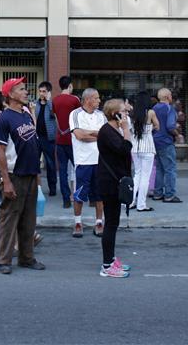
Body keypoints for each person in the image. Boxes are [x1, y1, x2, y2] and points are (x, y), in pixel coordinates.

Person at [0, 78, 44, 274]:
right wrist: (6, 181)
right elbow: (0, 151)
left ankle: (27, 258)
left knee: (29, 221)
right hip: (14, 175)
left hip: (30, 174)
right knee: (9, 219)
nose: (26, 92)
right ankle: (4, 260)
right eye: (21, 89)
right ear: (10, 94)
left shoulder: (26, 115)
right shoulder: (4, 118)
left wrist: (37, 175)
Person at [96, 99, 133, 278]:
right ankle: (107, 265)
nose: (126, 114)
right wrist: (126, 130)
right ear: (115, 114)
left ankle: (111, 259)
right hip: (109, 183)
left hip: (115, 181)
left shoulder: (113, 130)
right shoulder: (107, 131)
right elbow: (124, 149)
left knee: (114, 222)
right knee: (110, 223)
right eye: (123, 111)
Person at [69, 88, 106, 238]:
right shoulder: (75, 114)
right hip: (83, 161)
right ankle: (78, 223)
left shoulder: (101, 115)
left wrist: (88, 132)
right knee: (79, 194)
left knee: (99, 194)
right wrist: (97, 134)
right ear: (88, 99)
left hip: (100, 161)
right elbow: (79, 135)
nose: (99, 101)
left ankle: (99, 222)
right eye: (96, 98)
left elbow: (106, 134)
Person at [52, 76, 81, 209]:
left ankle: (66, 199)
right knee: (79, 168)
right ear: (70, 85)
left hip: (60, 139)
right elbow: (79, 117)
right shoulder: (75, 100)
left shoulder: (55, 100)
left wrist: (61, 131)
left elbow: (55, 118)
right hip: (73, 140)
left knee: (63, 171)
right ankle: (79, 196)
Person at [129, 90, 159, 212]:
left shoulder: (132, 113)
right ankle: (141, 204)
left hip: (135, 147)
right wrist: (150, 129)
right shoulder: (150, 112)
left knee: (137, 174)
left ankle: (130, 202)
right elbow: (158, 126)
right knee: (145, 177)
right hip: (147, 148)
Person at [151, 87, 180, 202]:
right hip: (166, 141)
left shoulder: (154, 108)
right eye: (171, 95)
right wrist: (177, 134)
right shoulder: (169, 109)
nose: (171, 97)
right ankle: (169, 194)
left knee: (159, 168)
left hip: (155, 141)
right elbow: (170, 126)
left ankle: (157, 193)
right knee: (170, 169)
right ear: (168, 97)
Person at [34, 81, 58, 197]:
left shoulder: (52, 104)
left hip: (49, 138)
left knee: (50, 164)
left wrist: (48, 101)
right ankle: (35, 187)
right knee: (34, 163)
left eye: (44, 91)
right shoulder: (36, 104)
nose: (41, 93)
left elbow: (54, 115)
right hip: (37, 137)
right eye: (40, 91)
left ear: (49, 92)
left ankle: (52, 188)